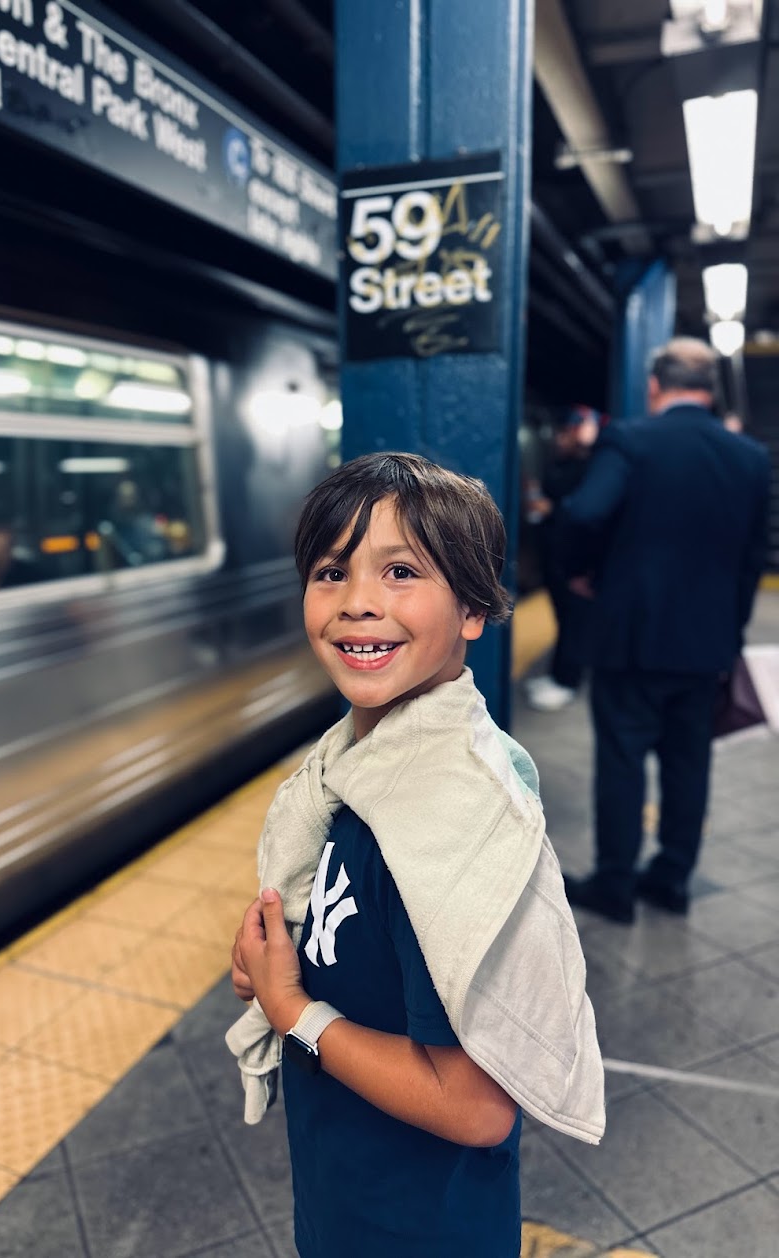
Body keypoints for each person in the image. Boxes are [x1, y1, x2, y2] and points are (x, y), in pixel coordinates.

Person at [225, 453, 604, 1258]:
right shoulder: (351, 778)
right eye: (331, 571)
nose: (359, 602)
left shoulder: (446, 824)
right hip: (348, 1196)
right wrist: (284, 956)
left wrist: (293, 1010)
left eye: (401, 571)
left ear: (473, 608)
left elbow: (475, 1107)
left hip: (421, 1230)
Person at [561, 338, 771, 923]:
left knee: (623, 762)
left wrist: (582, 574)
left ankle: (615, 886)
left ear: (655, 385)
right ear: (709, 389)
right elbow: (752, 558)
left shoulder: (631, 440)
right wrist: (729, 633)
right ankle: (672, 879)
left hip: (630, 640)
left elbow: (584, 513)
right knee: (688, 763)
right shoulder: (749, 457)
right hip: (706, 645)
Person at [524, 405, 601, 711]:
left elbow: (586, 514)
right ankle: (558, 674)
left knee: (574, 622)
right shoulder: (560, 464)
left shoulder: (594, 466)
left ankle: (568, 681)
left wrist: (552, 509)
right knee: (563, 618)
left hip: (578, 561)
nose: (561, 438)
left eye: (569, 432)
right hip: (557, 554)